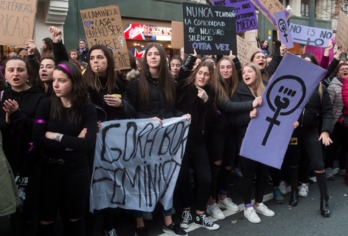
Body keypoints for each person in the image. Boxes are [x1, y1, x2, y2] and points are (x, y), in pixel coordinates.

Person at [123, 43, 188, 236]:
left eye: (156, 54)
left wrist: (182, 116)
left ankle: (168, 220)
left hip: (165, 139)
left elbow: (171, 109)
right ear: (145, 59)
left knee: (165, 178)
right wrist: (146, 120)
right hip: (144, 139)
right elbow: (130, 112)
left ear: (162, 58)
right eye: (149, 54)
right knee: (141, 179)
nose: (153, 57)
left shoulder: (171, 84)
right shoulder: (135, 84)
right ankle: (140, 222)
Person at [33, 61, 97, 236]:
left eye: (61, 80)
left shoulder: (87, 108)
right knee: (45, 219)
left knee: (75, 219)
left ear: (74, 82)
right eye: (54, 79)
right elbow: (38, 138)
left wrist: (56, 136)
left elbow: (88, 143)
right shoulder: (46, 104)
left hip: (77, 170)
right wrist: (72, 143)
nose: (55, 84)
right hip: (48, 170)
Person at [83, 44, 128, 236]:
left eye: (100, 58)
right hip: (92, 145)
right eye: (92, 58)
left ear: (108, 61)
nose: (96, 62)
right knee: (93, 184)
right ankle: (93, 226)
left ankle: (110, 225)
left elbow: (133, 111)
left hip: (114, 145)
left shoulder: (120, 83)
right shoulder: (84, 84)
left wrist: (122, 104)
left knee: (112, 183)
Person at [0, 57, 45, 235]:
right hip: (9, 160)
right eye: (11, 70)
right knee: (13, 211)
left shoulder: (40, 98)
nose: (15, 74)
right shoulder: (3, 97)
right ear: (5, 75)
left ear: (28, 74)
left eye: (20, 70)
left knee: (28, 208)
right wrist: (8, 119)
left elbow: (38, 128)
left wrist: (17, 114)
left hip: (32, 160)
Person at [231, 63, 275, 224]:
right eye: (243, 72)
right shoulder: (238, 92)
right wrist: (248, 115)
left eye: (250, 71)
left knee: (263, 172)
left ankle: (259, 202)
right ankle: (248, 207)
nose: (246, 74)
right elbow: (233, 120)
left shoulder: (267, 90)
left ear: (256, 74)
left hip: (265, 139)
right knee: (248, 175)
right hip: (246, 140)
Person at [294, 53, 333, 216]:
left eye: (309, 63)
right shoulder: (291, 84)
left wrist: (325, 131)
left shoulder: (320, 87)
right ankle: (294, 192)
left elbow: (328, 112)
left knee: (318, 164)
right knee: (293, 163)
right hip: (293, 131)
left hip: (311, 131)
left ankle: (324, 199)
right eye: (303, 63)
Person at [205, 56, 241, 220]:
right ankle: (211, 201)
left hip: (231, 132)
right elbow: (228, 107)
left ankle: (223, 196)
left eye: (229, 67)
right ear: (217, 70)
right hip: (216, 133)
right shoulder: (213, 87)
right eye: (222, 67)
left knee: (228, 166)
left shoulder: (235, 85)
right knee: (216, 165)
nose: (226, 70)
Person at [325, 63, 348, 180]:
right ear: (338, 72)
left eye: (347, 69)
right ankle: (328, 167)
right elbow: (329, 106)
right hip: (336, 121)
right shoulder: (333, 87)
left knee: (345, 146)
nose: (345, 70)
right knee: (332, 146)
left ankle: (342, 167)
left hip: (346, 122)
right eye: (342, 69)